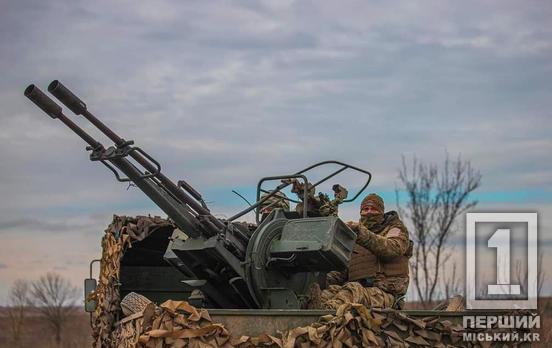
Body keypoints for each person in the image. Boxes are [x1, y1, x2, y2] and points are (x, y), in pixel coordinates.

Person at [319, 193, 412, 309]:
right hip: (359, 289)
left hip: (386, 295)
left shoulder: (395, 229)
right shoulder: (356, 237)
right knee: (325, 295)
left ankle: (326, 318)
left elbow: (392, 249)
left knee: (351, 293)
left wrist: (362, 233)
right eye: (365, 209)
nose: (368, 212)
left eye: (373, 209)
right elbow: (343, 272)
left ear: (381, 212)